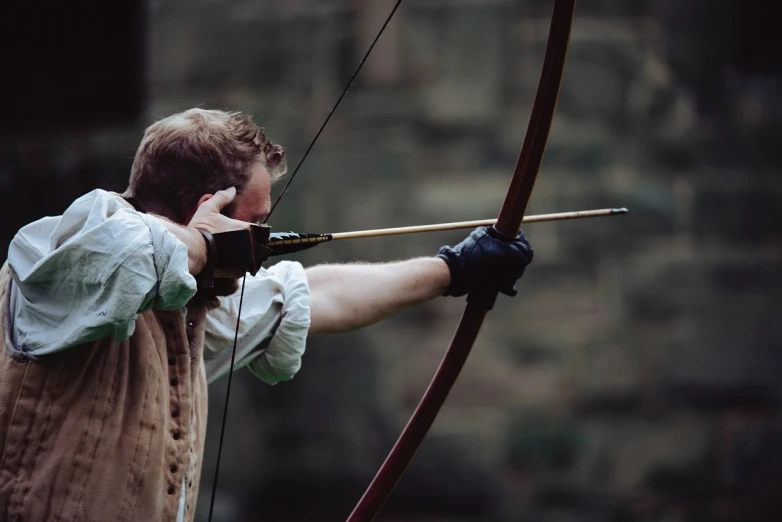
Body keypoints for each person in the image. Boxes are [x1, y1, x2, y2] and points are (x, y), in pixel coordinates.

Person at [0, 108, 533, 521]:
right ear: (206, 208)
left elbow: (317, 294)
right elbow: (132, 252)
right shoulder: (64, 255)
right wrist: (207, 244)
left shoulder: (194, 300)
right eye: (254, 227)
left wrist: (455, 271)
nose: (260, 245)